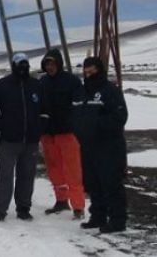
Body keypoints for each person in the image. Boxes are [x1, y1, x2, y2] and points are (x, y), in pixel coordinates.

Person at [0, 52, 49, 222]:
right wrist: (5, 127)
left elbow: (45, 110)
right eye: (20, 64)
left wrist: (38, 128)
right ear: (14, 65)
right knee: (5, 175)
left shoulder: (36, 85)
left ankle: (23, 208)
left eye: (26, 64)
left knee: (27, 175)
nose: (23, 67)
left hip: (30, 141)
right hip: (9, 141)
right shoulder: (3, 85)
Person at [71, 56, 129, 233]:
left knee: (111, 183)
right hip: (87, 146)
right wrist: (78, 129)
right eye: (86, 71)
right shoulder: (81, 91)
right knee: (92, 183)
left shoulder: (110, 90)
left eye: (92, 70)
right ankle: (98, 216)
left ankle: (118, 220)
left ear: (100, 70)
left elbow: (120, 117)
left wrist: (96, 125)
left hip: (109, 146)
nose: (89, 74)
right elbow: (73, 113)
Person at [39, 49, 85, 219]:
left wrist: (74, 122)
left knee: (73, 170)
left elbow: (79, 105)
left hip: (67, 133)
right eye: (47, 64)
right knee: (54, 169)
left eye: (52, 63)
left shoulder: (71, 81)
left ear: (59, 63)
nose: (50, 67)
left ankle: (78, 206)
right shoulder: (42, 82)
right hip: (48, 133)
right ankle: (61, 200)